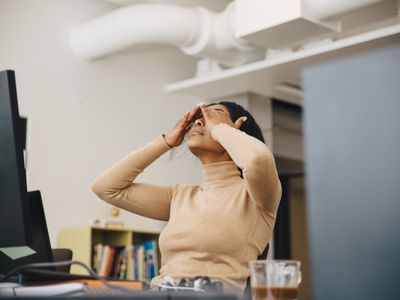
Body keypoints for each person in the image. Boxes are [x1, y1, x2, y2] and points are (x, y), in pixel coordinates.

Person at [92, 102, 281, 294]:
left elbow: (258, 159)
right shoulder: (179, 195)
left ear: (236, 130)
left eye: (213, 115)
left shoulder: (256, 196)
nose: (199, 122)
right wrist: (166, 142)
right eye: (197, 119)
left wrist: (220, 130)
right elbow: (106, 188)